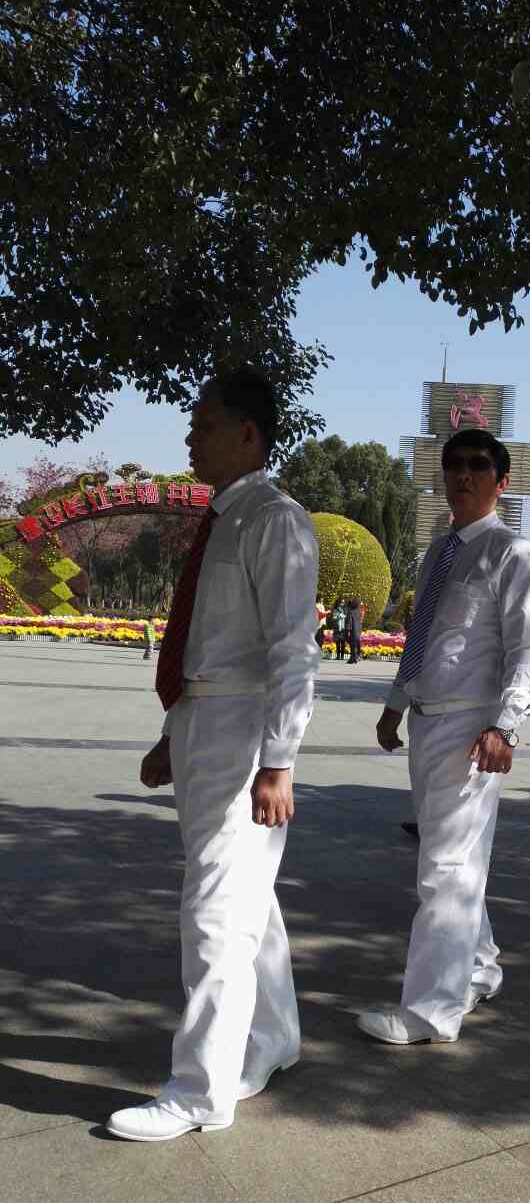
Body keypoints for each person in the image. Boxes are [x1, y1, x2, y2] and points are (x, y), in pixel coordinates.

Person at [106, 366, 320, 1141]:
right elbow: (208, 640)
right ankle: (272, 1036)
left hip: (243, 733)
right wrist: (174, 732)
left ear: (247, 434)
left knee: (214, 912)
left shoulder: (276, 519)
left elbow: (294, 650)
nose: (190, 437)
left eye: (203, 424)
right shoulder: (224, 519)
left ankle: (199, 1092)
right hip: (204, 719)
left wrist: (278, 762)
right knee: (245, 898)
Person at [360, 427, 530, 1043]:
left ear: (501, 480)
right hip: (426, 720)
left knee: (446, 868)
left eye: (477, 465)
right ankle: (479, 967)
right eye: (453, 464)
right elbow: (423, 636)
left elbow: (526, 648)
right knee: (453, 859)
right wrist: (394, 705)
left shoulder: (512, 553)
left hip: (471, 726)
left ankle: (432, 1011)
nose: (463, 475)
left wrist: (505, 726)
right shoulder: (439, 551)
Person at [347, 597, 363, 664]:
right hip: (358, 630)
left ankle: (353, 658)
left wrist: (348, 630)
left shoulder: (351, 611)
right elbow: (360, 621)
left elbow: (349, 622)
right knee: (356, 644)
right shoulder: (359, 611)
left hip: (353, 630)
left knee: (352, 645)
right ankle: (356, 657)